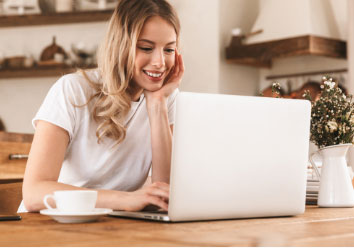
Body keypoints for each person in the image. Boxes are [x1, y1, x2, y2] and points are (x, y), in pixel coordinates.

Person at [19, 0, 184, 212]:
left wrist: (157, 105)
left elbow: (165, 196)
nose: (160, 62)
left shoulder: (165, 98)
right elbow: (34, 193)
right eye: (146, 48)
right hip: (49, 227)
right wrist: (126, 200)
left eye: (169, 50)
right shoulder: (72, 90)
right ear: (121, 46)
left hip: (110, 228)